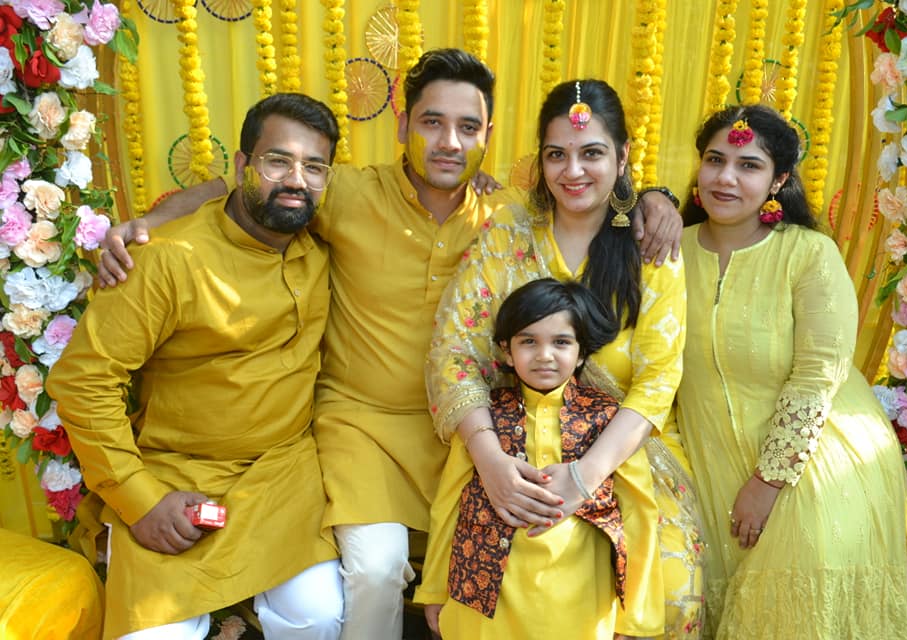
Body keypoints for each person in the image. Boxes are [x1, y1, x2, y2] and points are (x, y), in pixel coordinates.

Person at [96, 50, 685, 640]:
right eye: (432, 122)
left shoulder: (504, 216)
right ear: (402, 125)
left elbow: (598, 196)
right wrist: (147, 226)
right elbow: (242, 186)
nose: (449, 142)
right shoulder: (340, 191)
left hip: (476, 433)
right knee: (376, 568)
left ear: (488, 136)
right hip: (362, 427)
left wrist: (652, 198)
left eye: (468, 127)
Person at [46, 93, 344, 639]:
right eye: (277, 160)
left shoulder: (321, 241)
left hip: (282, 479)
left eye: (314, 166)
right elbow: (83, 381)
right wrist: (141, 499)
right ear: (240, 165)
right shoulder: (163, 260)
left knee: (320, 614)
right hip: (176, 478)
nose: (296, 179)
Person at [420, 79, 703, 638]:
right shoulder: (507, 232)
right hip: (509, 451)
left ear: (623, 157)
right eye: (557, 155)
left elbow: (657, 378)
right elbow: (455, 353)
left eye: (592, 153)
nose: (573, 172)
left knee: (668, 593)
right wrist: (493, 465)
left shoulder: (649, 246)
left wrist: (584, 476)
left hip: (621, 455)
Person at [676, 103, 907, 639]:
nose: (726, 177)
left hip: (813, 461)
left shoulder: (808, 254)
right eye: (714, 159)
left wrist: (768, 481)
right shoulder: (667, 252)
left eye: (749, 165)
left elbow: (820, 374)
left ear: (779, 179)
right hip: (711, 464)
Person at [418, 277, 663, 639]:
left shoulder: (607, 419)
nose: (544, 355)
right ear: (506, 350)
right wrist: (435, 589)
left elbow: (640, 513)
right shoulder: (483, 421)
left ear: (581, 353)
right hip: (486, 599)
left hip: (580, 599)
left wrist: (636, 617)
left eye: (561, 342)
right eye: (528, 341)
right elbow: (449, 504)